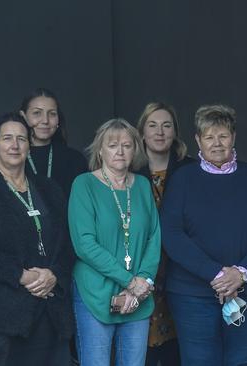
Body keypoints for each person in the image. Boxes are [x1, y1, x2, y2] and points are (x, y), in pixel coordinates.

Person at [161, 104, 247, 366]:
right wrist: (217, 274)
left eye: (223, 136)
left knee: (243, 360)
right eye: (209, 137)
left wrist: (241, 273)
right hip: (192, 293)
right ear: (198, 140)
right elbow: (171, 234)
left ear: (234, 137)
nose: (217, 143)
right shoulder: (182, 179)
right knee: (199, 361)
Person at [69, 118, 160, 366]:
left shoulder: (142, 185)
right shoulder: (84, 184)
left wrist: (143, 281)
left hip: (139, 293)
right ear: (100, 150)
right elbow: (84, 244)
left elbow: (154, 236)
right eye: (112, 145)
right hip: (95, 291)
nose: (120, 151)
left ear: (135, 150)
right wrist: (129, 281)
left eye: (127, 145)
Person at [0, 113, 75, 365]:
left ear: (29, 145)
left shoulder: (49, 188)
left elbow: (67, 244)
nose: (15, 145)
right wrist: (20, 275)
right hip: (8, 315)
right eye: (7, 138)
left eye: (21, 138)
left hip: (52, 313)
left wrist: (54, 274)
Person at [136, 102, 194, 366]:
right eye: (152, 125)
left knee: (179, 350)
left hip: (182, 270)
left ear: (175, 132)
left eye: (166, 125)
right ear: (142, 132)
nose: (160, 132)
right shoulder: (128, 170)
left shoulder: (191, 169)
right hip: (140, 271)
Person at [19, 88, 88, 197]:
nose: (45, 120)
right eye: (37, 113)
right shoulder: (12, 158)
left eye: (52, 114)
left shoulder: (75, 160)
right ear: (24, 116)